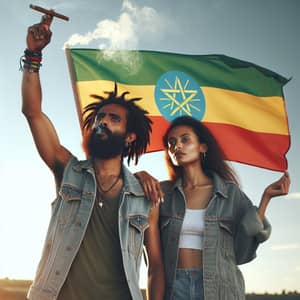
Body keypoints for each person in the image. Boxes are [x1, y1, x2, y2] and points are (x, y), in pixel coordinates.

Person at [21, 14, 164, 300]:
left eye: (113, 119)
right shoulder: (67, 168)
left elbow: (156, 266)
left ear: (130, 136)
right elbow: (33, 112)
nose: (103, 122)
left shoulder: (144, 195)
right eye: (99, 117)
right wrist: (33, 55)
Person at [136, 116, 290, 300]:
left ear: (203, 147)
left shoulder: (229, 193)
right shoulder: (163, 194)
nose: (177, 146)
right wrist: (140, 175)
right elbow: (153, 259)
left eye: (185, 139)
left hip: (219, 289)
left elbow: (241, 254)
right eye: (172, 142)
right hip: (174, 288)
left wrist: (266, 199)